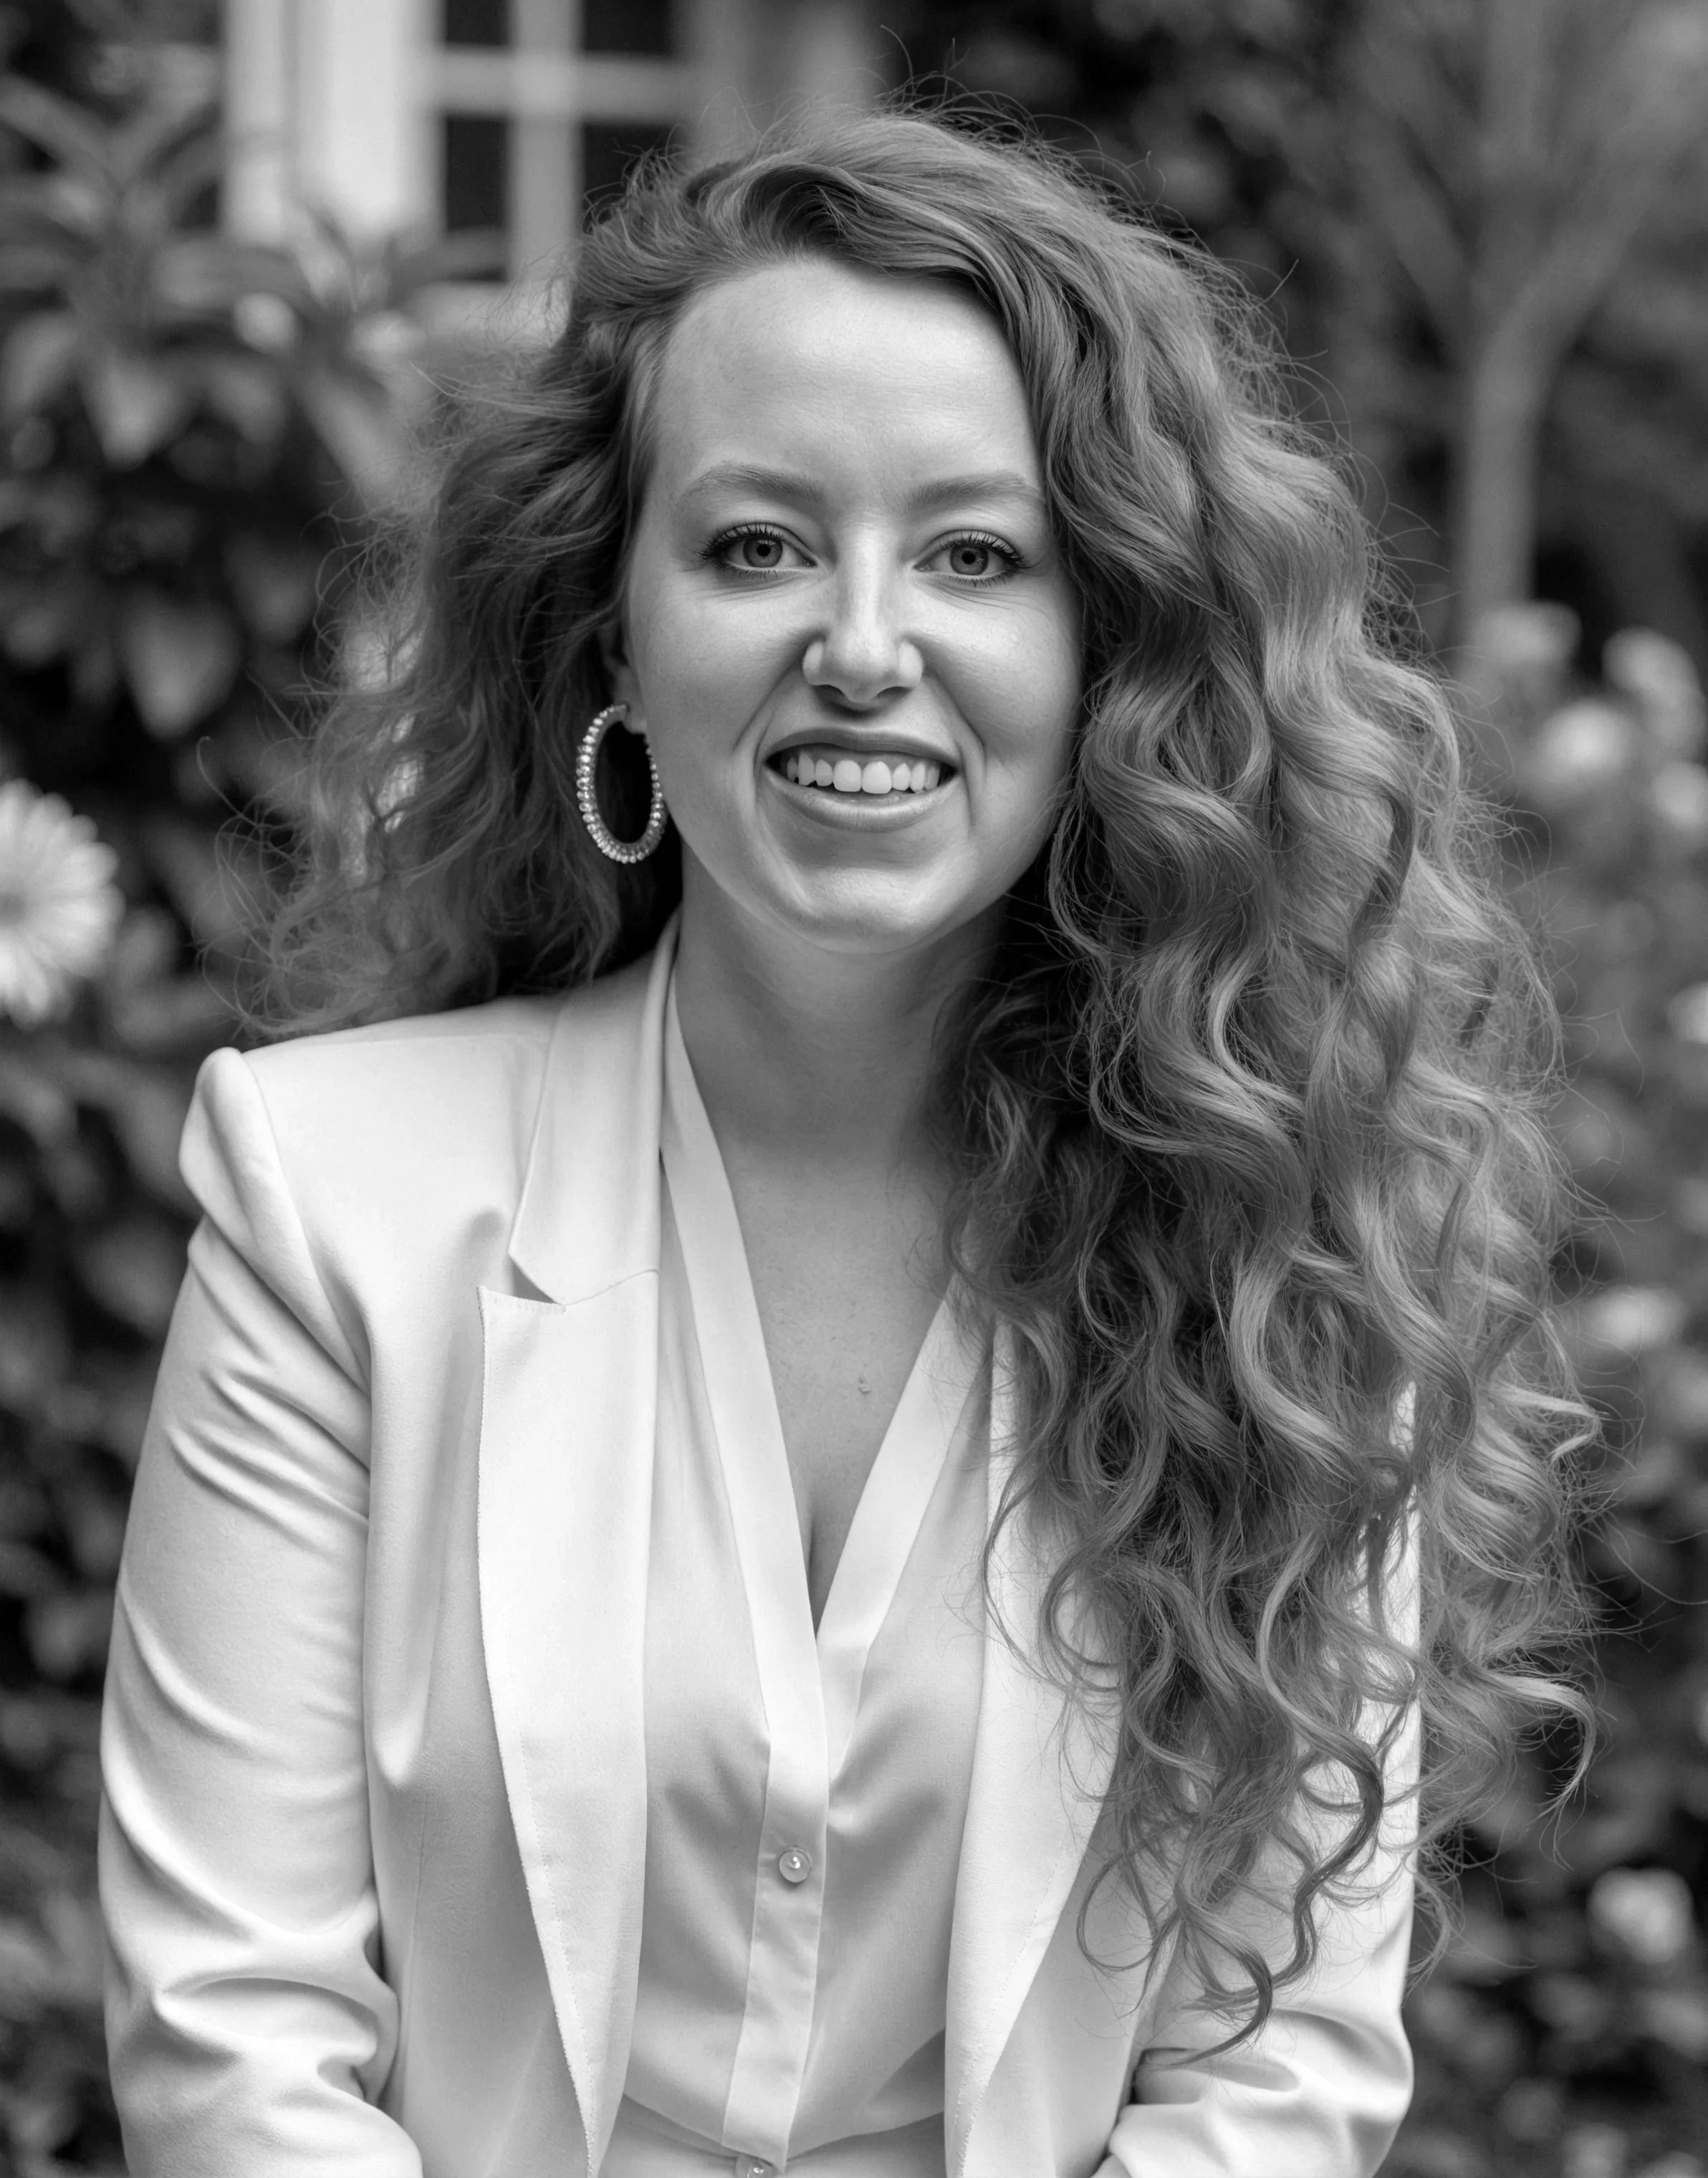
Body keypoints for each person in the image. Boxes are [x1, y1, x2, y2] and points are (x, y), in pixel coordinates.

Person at [98, 107, 1591, 2178]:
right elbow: (233, 2033)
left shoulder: (1291, 1255)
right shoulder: (325, 1199)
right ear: (612, 628)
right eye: (757, 544)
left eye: (976, 555)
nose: (866, 644)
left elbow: (1275, 2087)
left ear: (1111, 653)